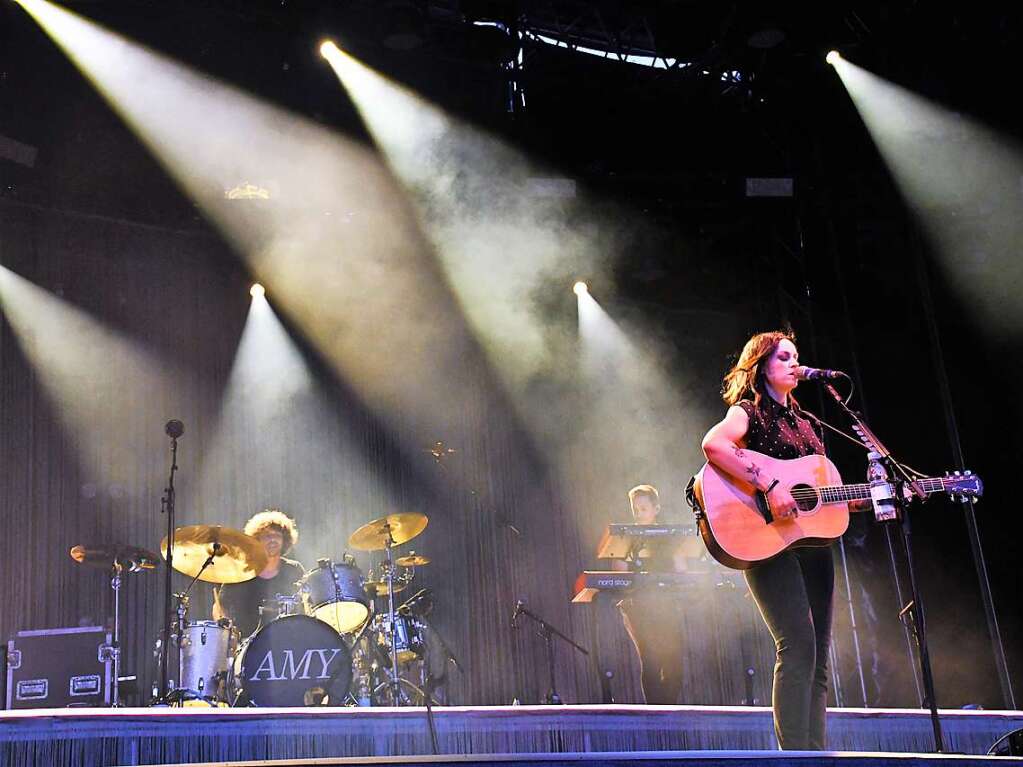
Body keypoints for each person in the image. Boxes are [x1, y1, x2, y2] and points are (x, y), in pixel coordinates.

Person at [700, 330, 859, 750]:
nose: (794, 363)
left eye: (796, 357)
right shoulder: (748, 412)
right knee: (798, 646)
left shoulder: (808, 425)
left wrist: (864, 499)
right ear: (761, 367)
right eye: (783, 357)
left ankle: (816, 754)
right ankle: (795, 758)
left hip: (812, 548)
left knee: (819, 660)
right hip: (766, 543)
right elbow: (713, 444)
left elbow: (818, 497)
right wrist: (770, 486)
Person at [614, 484, 688, 705]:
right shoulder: (627, 537)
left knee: (673, 660)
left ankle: (669, 711)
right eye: (635, 510)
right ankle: (656, 714)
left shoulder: (669, 537)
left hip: (667, 602)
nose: (638, 514)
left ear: (656, 508)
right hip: (638, 604)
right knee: (651, 658)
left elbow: (681, 569)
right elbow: (619, 574)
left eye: (643, 509)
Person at [213, 509, 305, 639]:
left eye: (277, 536)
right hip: (246, 647)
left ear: (285, 540)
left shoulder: (293, 569)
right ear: (256, 541)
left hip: (288, 642)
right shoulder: (241, 571)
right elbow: (221, 607)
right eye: (267, 536)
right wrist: (228, 634)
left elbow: (307, 606)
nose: (273, 540)